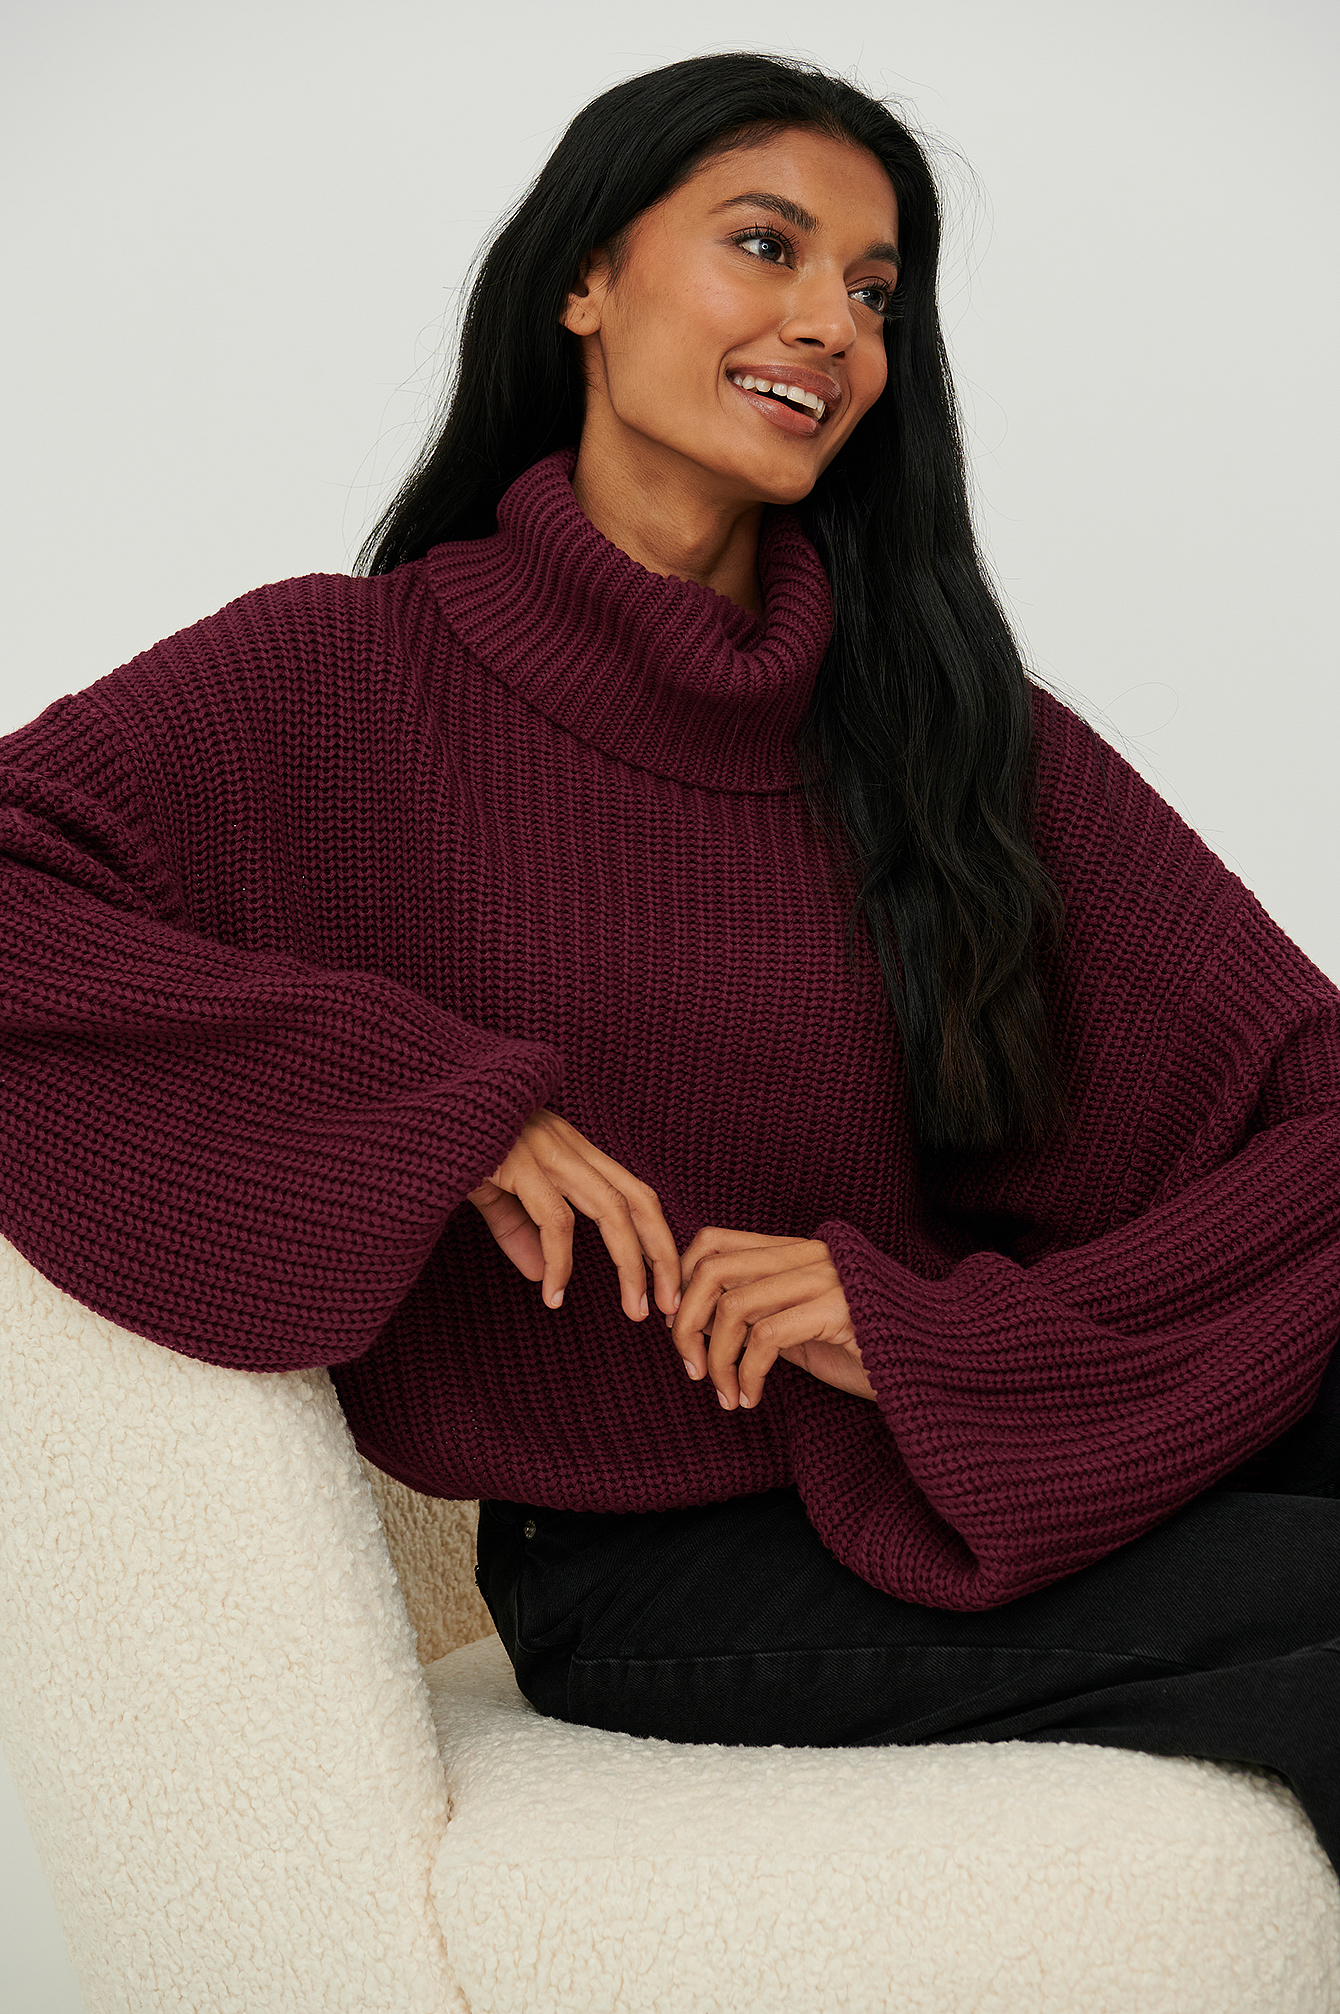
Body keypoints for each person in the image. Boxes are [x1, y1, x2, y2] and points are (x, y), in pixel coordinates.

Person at [2, 51, 1338, 1873]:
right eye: (766, 246)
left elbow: (1308, 1098)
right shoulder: (341, 681)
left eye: (875, 290)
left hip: (933, 1475)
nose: (833, 325)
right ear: (585, 278)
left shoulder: (948, 732)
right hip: (639, 1572)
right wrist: (437, 1106)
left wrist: (941, 1338)